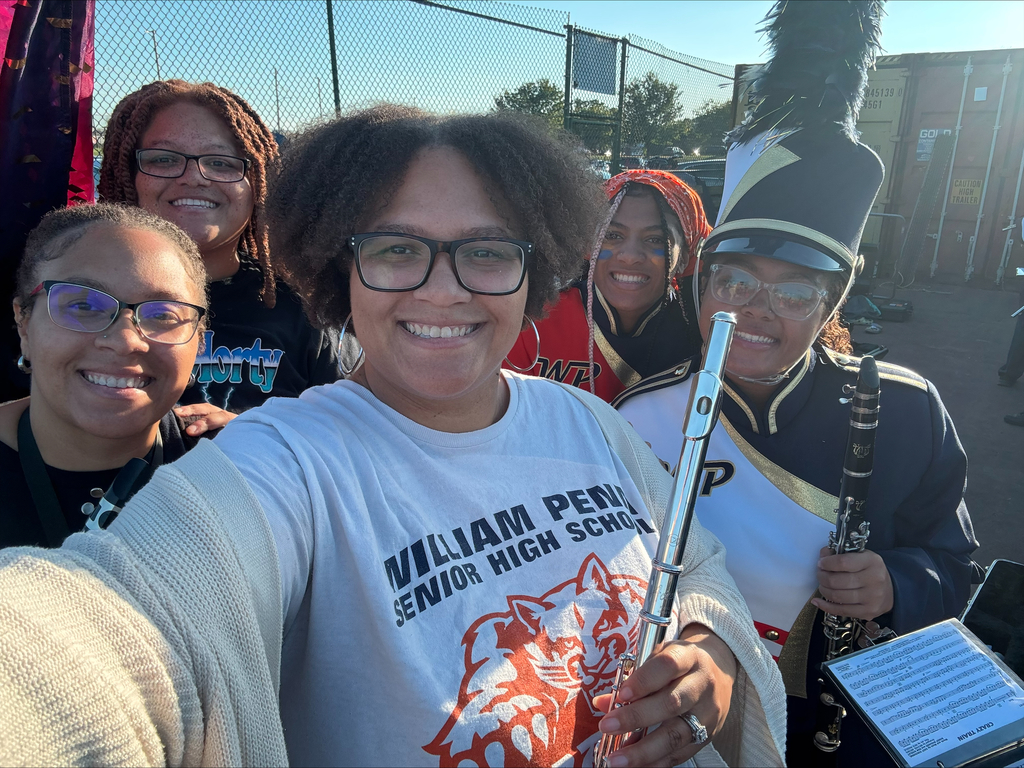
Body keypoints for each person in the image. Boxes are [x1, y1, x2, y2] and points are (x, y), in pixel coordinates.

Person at [0, 106, 787, 768]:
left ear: (533, 269)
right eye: (396, 249)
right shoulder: (286, 463)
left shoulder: (588, 422)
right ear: (339, 268)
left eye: (486, 251)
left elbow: (695, 564)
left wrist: (711, 647)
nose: (442, 290)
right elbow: (111, 625)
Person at [615, 3, 978, 764]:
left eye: (794, 292)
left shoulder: (904, 409)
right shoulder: (640, 414)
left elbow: (957, 564)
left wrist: (896, 582)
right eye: (735, 281)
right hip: (685, 719)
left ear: (830, 306)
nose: (755, 310)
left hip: (842, 726)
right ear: (702, 286)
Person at [98, 80, 339, 420]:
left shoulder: (302, 310)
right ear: (126, 173)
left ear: (257, 184)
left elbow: (348, 434)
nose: (194, 177)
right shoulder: (78, 300)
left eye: (222, 163)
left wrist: (251, 434)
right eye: (164, 159)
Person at [0, 204, 209, 548]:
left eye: (162, 315)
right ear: (24, 323)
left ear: (199, 340)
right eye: (83, 305)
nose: (126, 341)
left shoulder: (238, 474)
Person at [505, 170, 709, 402]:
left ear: (684, 257)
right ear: (590, 246)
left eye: (656, 239)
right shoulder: (535, 322)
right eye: (612, 235)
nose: (630, 256)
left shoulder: (701, 337)